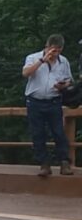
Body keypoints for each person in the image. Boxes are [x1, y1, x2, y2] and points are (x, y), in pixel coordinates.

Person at [22, 34, 74, 177]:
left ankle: (64, 162)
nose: (54, 54)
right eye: (52, 50)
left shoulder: (63, 62)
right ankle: (44, 164)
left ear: (61, 49)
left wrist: (63, 85)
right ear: (46, 47)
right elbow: (26, 73)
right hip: (35, 101)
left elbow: (69, 80)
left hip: (54, 101)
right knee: (38, 133)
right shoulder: (33, 58)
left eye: (57, 51)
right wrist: (42, 61)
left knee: (58, 132)